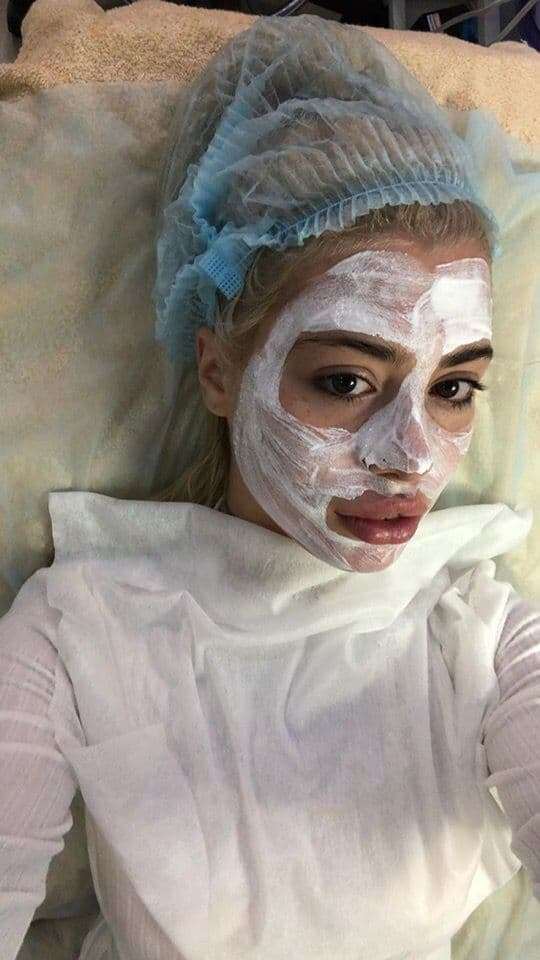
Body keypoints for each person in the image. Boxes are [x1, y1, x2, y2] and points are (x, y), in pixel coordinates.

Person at [1, 14, 539, 960]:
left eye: (453, 388)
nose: (411, 455)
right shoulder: (78, 625)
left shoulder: (488, 634)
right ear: (218, 370)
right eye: (345, 380)